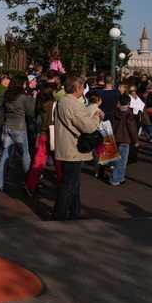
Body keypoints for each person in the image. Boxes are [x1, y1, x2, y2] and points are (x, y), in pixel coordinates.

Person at [53, 75, 102, 220]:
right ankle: (60, 214)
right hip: (72, 148)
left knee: (73, 183)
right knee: (69, 184)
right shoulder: (72, 103)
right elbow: (88, 126)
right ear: (77, 88)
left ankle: (74, 211)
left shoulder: (62, 101)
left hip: (67, 147)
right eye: (82, 87)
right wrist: (97, 117)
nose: (83, 90)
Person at [0, 76, 35, 191]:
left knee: (5, 155)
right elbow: (31, 112)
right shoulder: (24, 97)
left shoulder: (7, 96)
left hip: (8, 127)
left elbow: (2, 112)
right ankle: (28, 181)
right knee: (25, 155)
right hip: (20, 128)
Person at [24, 84, 56, 196]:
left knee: (39, 161)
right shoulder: (53, 105)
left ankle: (31, 183)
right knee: (59, 162)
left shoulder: (40, 105)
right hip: (51, 134)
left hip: (42, 134)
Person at [109, 94, 138, 186]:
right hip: (125, 140)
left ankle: (120, 177)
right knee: (122, 161)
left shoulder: (115, 112)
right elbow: (132, 129)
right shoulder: (129, 114)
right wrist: (136, 140)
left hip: (115, 138)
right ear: (129, 103)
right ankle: (116, 178)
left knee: (117, 160)